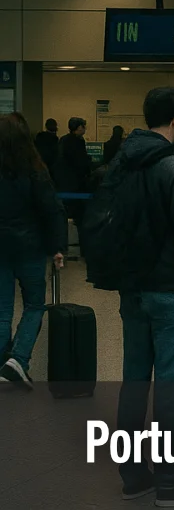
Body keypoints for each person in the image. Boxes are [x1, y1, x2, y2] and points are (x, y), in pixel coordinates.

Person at [107, 87, 174, 505]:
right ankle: (172, 480)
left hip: (132, 289)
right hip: (171, 290)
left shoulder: (121, 164)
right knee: (172, 384)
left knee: (134, 380)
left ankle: (134, 474)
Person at [0, 113, 66, 388]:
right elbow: (50, 210)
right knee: (34, 305)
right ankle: (17, 360)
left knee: (1, 311)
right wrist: (57, 248)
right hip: (30, 247)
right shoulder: (35, 169)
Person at [54, 116, 92, 223]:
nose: (84, 128)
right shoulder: (77, 141)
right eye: (83, 126)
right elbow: (80, 161)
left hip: (64, 180)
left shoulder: (64, 139)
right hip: (74, 180)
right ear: (78, 127)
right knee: (76, 210)